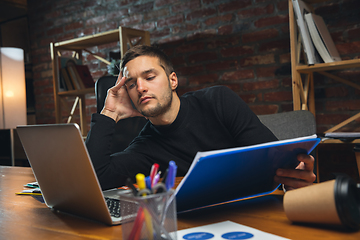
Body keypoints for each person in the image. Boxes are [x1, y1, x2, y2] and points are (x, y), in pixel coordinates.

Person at [85, 45, 316, 191]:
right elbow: (97, 178)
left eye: (150, 77)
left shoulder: (218, 100)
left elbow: (273, 158)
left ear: (173, 80)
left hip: (250, 207)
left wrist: (293, 176)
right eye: (132, 84)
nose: (141, 87)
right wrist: (110, 113)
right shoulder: (144, 147)